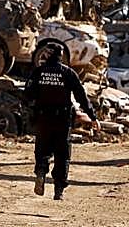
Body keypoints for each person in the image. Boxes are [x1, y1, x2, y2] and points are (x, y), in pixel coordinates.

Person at [23, 42, 95, 200]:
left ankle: (41, 172)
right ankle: (59, 190)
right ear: (61, 56)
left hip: (43, 117)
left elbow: (27, 95)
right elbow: (81, 96)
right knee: (62, 154)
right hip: (62, 119)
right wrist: (92, 116)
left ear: (47, 55)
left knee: (42, 149)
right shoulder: (68, 73)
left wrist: (31, 111)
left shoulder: (38, 72)